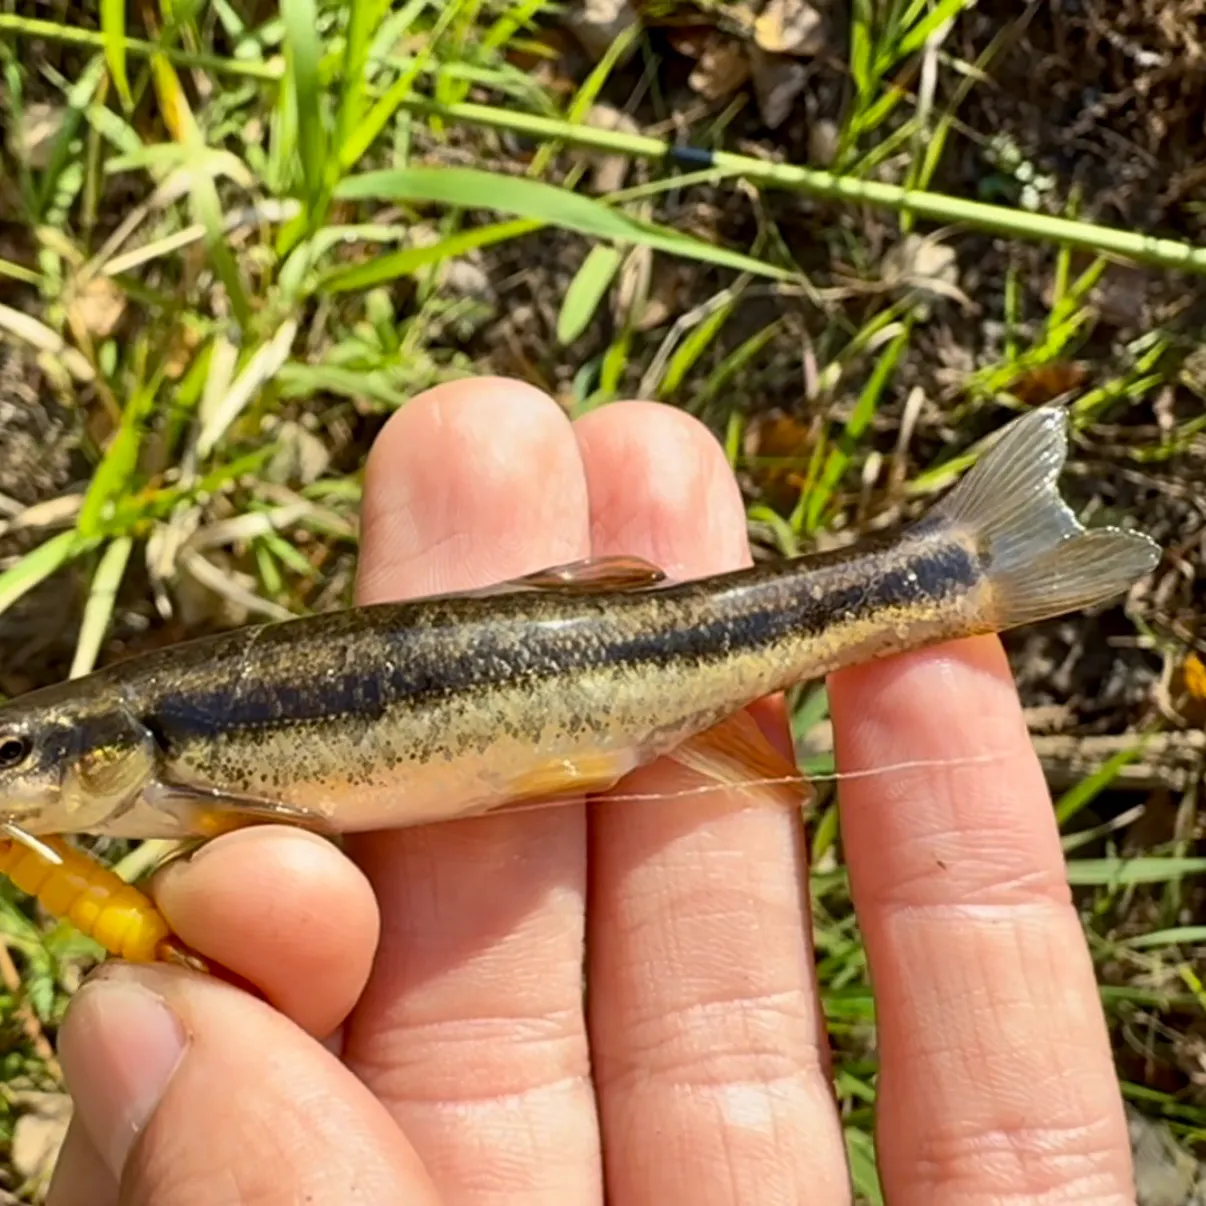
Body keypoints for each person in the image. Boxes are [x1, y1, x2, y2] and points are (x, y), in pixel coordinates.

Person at [45, 380, 1136, 1205]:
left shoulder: (170, 752)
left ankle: (948, 569)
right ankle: (948, 567)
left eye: (19, 755)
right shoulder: (158, 747)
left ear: (108, 746)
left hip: (604, 676)